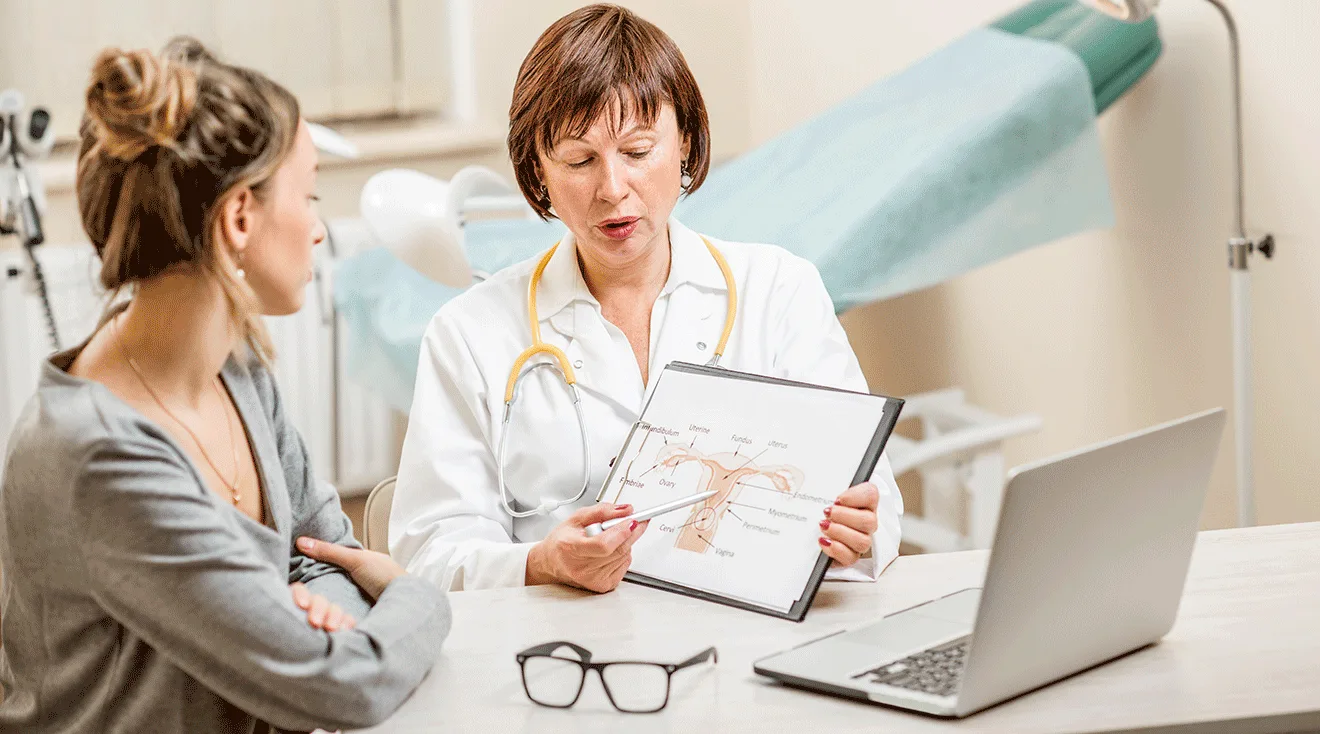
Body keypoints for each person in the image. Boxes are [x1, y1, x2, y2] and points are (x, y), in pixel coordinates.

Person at [0, 38, 447, 733]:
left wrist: (316, 627)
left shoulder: (235, 370)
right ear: (240, 217)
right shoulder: (98, 457)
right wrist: (416, 596)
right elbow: (344, 685)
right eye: (310, 194)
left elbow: (330, 555)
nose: (322, 228)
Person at [390, 4, 903, 594]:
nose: (613, 188)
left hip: (742, 644)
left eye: (636, 152)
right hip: (558, 659)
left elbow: (877, 504)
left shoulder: (780, 292)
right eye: (580, 160)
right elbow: (428, 553)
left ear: (683, 142)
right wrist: (540, 563)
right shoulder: (471, 332)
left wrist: (857, 532)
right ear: (539, 170)